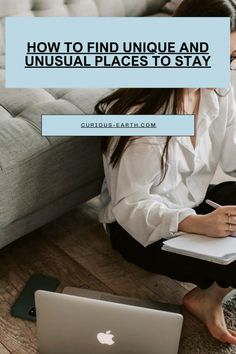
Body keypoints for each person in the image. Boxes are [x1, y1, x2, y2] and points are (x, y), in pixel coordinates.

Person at [95, 0, 236, 345]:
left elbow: (232, 158)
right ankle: (206, 298)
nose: (226, 68)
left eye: (231, 57)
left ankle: (206, 298)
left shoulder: (219, 89)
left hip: (192, 199)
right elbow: (130, 205)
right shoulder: (141, 114)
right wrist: (196, 223)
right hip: (139, 229)